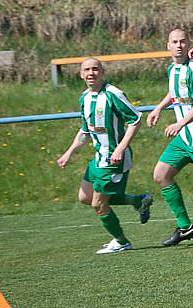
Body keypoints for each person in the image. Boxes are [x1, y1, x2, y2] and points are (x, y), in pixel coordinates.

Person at [57, 58, 153, 254]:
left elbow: (136, 119)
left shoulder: (113, 94)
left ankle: (121, 241)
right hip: (98, 158)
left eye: (95, 69)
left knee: (98, 203)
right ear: (81, 74)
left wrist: (120, 148)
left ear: (103, 72)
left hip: (113, 160)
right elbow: (85, 131)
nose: (91, 73)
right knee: (85, 197)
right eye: (87, 70)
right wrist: (69, 152)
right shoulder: (84, 98)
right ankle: (138, 201)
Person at [147, 29, 193, 247]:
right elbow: (175, 93)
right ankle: (185, 227)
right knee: (161, 174)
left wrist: (180, 123)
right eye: (174, 42)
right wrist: (158, 109)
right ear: (168, 45)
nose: (179, 45)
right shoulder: (173, 69)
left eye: (182, 41)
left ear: (189, 43)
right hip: (184, 140)